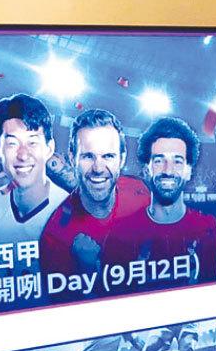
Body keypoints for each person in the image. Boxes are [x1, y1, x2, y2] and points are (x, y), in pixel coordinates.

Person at [38, 109, 150, 289]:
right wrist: (86, 271)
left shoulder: (138, 191)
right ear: (72, 159)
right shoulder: (55, 237)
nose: (98, 168)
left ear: (121, 159)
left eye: (108, 156)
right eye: (88, 156)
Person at [106, 116, 216, 283]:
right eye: (159, 160)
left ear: (189, 171)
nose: (168, 170)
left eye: (177, 161)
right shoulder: (120, 234)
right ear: (146, 169)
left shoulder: (209, 229)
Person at [0, 94, 69, 246]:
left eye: (32, 142)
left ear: (49, 149)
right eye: (12, 143)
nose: (23, 155)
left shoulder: (70, 214)